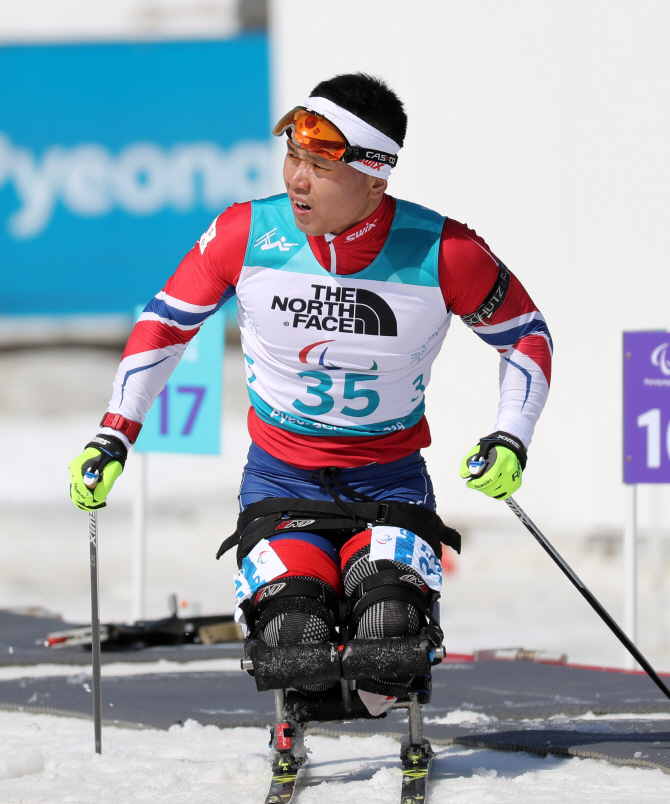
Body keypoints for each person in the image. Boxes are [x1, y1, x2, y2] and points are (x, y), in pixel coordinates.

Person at [69, 73, 552, 717]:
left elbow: (526, 338)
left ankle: (377, 686)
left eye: (321, 164)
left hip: (389, 482)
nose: (298, 177)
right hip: (281, 479)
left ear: (376, 177)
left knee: (389, 643)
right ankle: (313, 693)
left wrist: (509, 435)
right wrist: (113, 433)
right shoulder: (246, 233)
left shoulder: (445, 251)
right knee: (294, 646)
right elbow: (166, 326)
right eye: (293, 155)